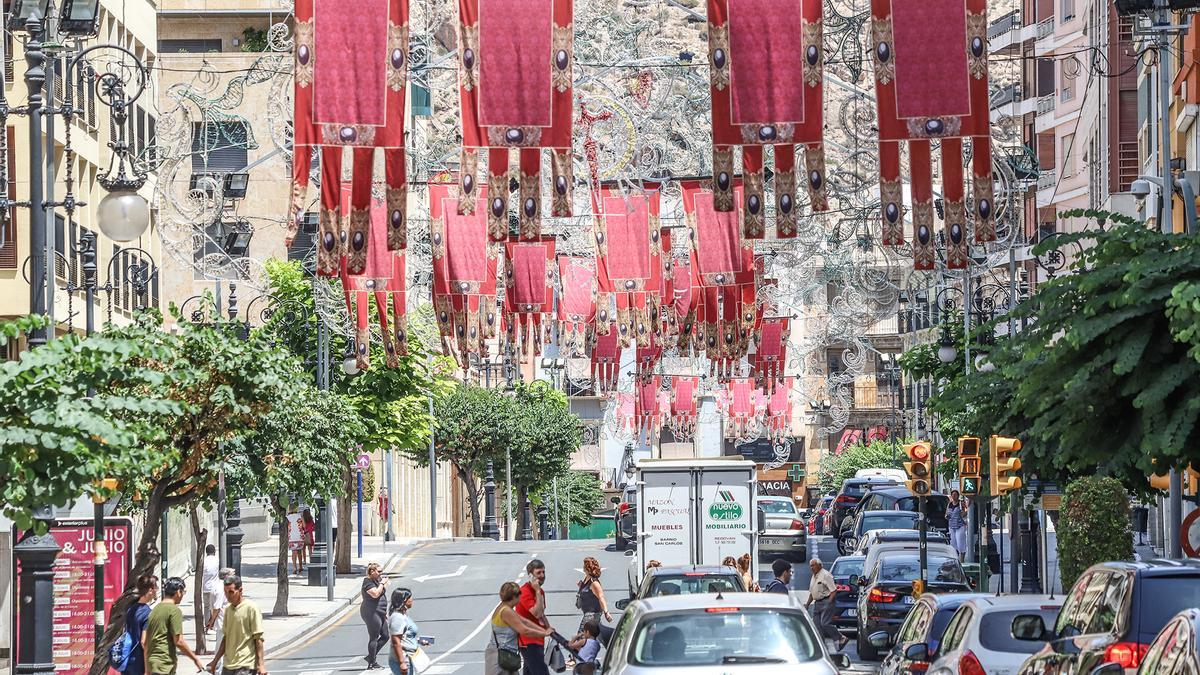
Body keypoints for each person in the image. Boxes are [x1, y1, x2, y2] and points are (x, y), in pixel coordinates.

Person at [486, 582, 553, 675]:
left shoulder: (504, 607)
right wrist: (544, 633)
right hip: (501, 658)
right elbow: (524, 630)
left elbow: (525, 621)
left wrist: (545, 629)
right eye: (519, 596)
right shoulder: (506, 611)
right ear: (514, 597)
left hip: (506, 656)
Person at [143, 577, 204, 675]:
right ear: (178, 592)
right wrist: (195, 659)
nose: (182, 596)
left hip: (152, 663)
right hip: (164, 664)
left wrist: (147, 670)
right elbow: (179, 641)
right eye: (183, 592)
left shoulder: (154, 611)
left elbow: (146, 642)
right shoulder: (174, 611)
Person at [206, 575, 265, 675]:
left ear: (240, 590)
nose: (228, 596)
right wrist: (215, 661)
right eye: (225, 592)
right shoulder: (228, 610)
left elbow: (258, 639)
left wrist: (261, 664)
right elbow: (226, 638)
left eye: (231, 592)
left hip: (246, 665)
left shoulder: (251, 608)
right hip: (228, 665)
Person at [516, 559, 552, 675]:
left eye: (543, 572)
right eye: (539, 573)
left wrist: (549, 628)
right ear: (531, 575)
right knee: (541, 672)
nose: (542, 576)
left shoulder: (540, 592)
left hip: (538, 639)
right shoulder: (525, 592)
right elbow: (536, 613)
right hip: (528, 641)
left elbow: (541, 614)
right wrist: (536, 591)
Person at [386, 588, 429, 675]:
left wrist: (419, 641)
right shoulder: (397, 617)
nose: (412, 599)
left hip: (410, 658)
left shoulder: (403, 615)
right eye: (409, 597)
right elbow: (396, 642)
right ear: (404, 600)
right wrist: (402, 663)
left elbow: (405, 637)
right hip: (403, 660)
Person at [805, 559, 847, 650]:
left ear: (820, 565)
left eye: (813, 565)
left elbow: (833, 590)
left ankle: (841, 637)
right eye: (811, 566)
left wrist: (829, 603)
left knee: (825, 624)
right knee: (817, 626)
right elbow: (812, 592)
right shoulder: (814, 576)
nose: (811, 568)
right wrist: (807, 604)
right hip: (817, 603)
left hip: (826, 601)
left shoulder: (826, 575)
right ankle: (821, 647)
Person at [122, 575, 158, 675]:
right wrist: (147, 670)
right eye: (156, 587)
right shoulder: (148, 613)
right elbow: (144, 642)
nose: (157, 590)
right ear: (150, 590)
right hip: (139, 662)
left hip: (126, 658)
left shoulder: (130, 609)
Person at [361, 563, 390, 669]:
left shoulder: (376, 581)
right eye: (379, 571)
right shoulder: (367, 582)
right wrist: (382, 583)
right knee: (374, 637)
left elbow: (382, 596)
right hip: (371, 612)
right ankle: (372, 662)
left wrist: (385, 612)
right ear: (372, 572)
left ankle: (370, 657)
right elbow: (375, 594)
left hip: (380, 611)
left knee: (386, 635)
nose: (381, 573)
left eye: (381, 571)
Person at [576, 557, 612, 631]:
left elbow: (601, 597)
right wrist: (581, 586)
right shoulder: (586, 578)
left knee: (581, 636)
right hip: (589, 614)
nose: (583, 567)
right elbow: (586, 590)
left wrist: (606, 612)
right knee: (594, 636)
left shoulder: (594, 583)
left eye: (584, 565)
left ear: (587, 568)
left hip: (592, 615)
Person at [205, 568, 235, 645]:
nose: (234, 576)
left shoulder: (218, 585)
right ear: (227, 576)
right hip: (223, 619)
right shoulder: (221, 588)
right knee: (221, 643)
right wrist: (212, 621)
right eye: (232, 574)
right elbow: (217, 607)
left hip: (225, 619)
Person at [202, 545, 220, 638]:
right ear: (214, 552)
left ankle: (207, 626)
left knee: (206, 607)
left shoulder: (203, 561)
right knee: (215, 607)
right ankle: (213, 626)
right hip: (215, 587)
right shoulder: (217, 560)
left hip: (205, 587)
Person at [947, 490, 967, 560]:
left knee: (960, 543)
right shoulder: (949, 504)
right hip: (951, 526)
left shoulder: (961, 503)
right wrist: (947, 516)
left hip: (960, 525)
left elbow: (966, 511)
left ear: (958, 496)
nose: (954, 496)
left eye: (955, 494)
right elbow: (947, 513)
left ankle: (962, 559)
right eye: (952, 494)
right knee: (953, 544)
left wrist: (963, 513)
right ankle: (955, 559)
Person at [286, 506, 305, 575]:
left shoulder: (287, 517)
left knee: (294, 552)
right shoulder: (300, 516)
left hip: (291, 536)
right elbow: (304, 526)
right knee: (299, 551)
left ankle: (294, 567)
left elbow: (286, 527)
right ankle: (300, 566)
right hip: (299, 535)